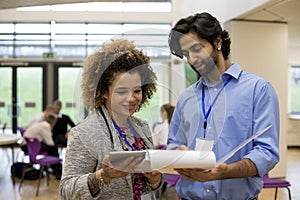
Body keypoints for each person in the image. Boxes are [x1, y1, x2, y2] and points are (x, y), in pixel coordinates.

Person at [167, 12, 280, 199]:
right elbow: (173, 144)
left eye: (197, 49)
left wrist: (225, 172)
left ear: (217, 41)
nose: (192, 59)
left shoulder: (258, 89)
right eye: (186, 54)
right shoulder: (187, 97)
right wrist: (180, 154)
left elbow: (267, 152)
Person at [59, 39, 163, 200]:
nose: (131, 98)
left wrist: (155, 180)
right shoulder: (83, 133)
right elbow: (66, 191)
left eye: (137, 90)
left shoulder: (142, 127)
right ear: (103, 92)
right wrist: (103, 176)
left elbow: (144, 186)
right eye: (121, 91)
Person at [22, 114, 62, 180]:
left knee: (50, 148)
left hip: (28, 146)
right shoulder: (46, 126)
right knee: (53, 149)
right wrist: (56, 146)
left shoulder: (42, 124)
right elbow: (50, 143)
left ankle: (54, 168)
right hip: (30, 147)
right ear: (54, 122)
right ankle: (58, 171)